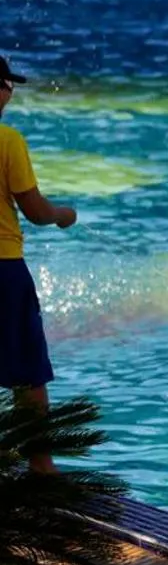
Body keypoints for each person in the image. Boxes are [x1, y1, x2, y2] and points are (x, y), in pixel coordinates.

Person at [0, 56, 76, 475]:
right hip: (4, 268)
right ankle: (40, 465)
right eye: (8, 85)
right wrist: (63, 214)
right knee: (28, 372)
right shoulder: (8, 140)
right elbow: (34, 209)